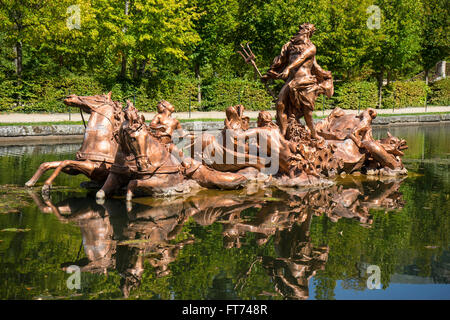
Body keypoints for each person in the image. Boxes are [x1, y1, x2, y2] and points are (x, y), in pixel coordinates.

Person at [262, 23, 333, 139]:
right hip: (291, 80)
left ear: (307, 32)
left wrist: (288, 68)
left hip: (305, 81)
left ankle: (314, 133)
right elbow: (280, 61)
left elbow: (301, 58)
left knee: (307, 112)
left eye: (301, 30)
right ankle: (283, 132)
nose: (298, 32)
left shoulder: (311, 48)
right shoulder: (290, 46)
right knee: (280, 104)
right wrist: (268, 75)